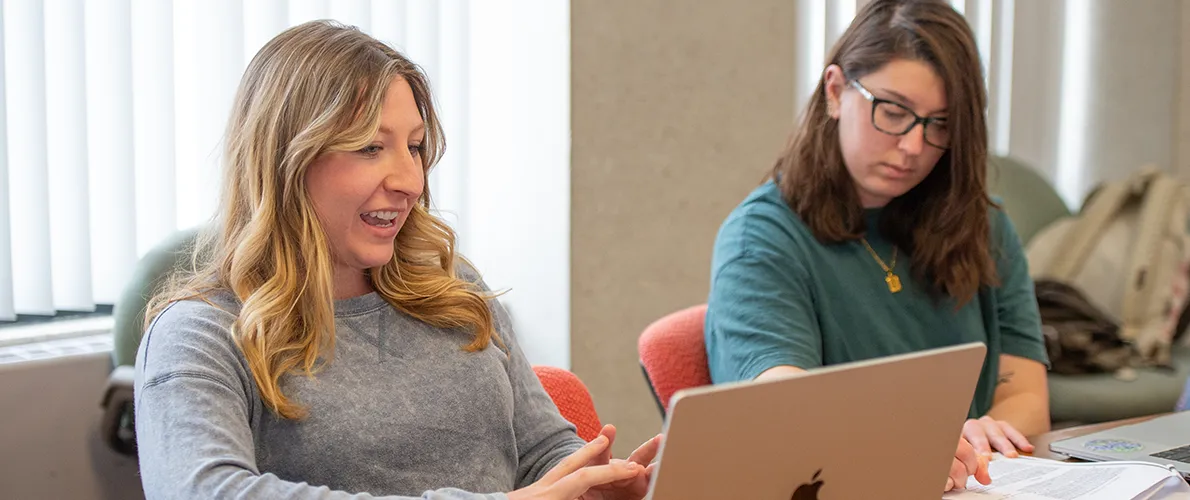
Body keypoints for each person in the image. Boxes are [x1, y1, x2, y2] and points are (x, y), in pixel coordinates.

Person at [133, 20, 659, 500]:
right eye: (369, 148)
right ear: (286, 161)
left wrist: (595, 481)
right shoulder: (198, 334)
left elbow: (543, 453)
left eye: (415, 147)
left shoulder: (454, 288)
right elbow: (203, 491)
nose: (410, 181)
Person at [704, 0, 1048, 492]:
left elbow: (1027, 396)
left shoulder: (980, 224)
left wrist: (988, 430)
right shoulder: (761, 238)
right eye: (893, 112)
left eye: (940, 125)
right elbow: (780, 401)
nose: (913, 146)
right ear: (836, 91)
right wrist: (913, 441)